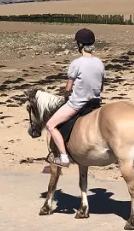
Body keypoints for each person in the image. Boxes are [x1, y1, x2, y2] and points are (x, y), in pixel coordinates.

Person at [45, 28, 105, 167]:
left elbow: (68, 87)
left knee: (50, 125)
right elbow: (101, 87)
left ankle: (64, 157)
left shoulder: (77, 63)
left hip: (78, 104)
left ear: (80, 45)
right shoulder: (99, 63)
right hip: (95, 103)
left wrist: (66, 96)